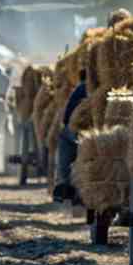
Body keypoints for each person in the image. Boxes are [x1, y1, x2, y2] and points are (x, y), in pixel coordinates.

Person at [54, 69, 89, 200]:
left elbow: (68, 112)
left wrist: (65, 123)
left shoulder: (82, 88)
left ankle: (64, 183)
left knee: (63, 137)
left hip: (81, 131)